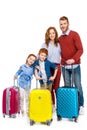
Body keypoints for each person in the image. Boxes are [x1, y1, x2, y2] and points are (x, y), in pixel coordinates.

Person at [58, 16, 84, 115]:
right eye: (61, 24)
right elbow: (60, 52)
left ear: (68, 24)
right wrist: (64, 61)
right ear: (59, 26)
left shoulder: (74, 34)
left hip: (75, 66)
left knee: (78, 85)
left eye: (64, 23)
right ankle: (70, 105)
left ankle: (81, 105)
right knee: (67, 86)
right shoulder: (59, 38)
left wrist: (73, 59)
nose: (63, 26)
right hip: (65, 67)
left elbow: (80, 49)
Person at [41, 27, 61, 112]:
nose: (52, 35)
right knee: (49, 87)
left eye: (53, 33)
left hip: (57, 67)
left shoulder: (59, 44)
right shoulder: (45, 44)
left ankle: (59, 106)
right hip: (48, 67)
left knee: (56, 87)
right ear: (47, 35)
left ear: (55, 34)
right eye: (50, 33)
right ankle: (52, 105)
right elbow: (40, 55)